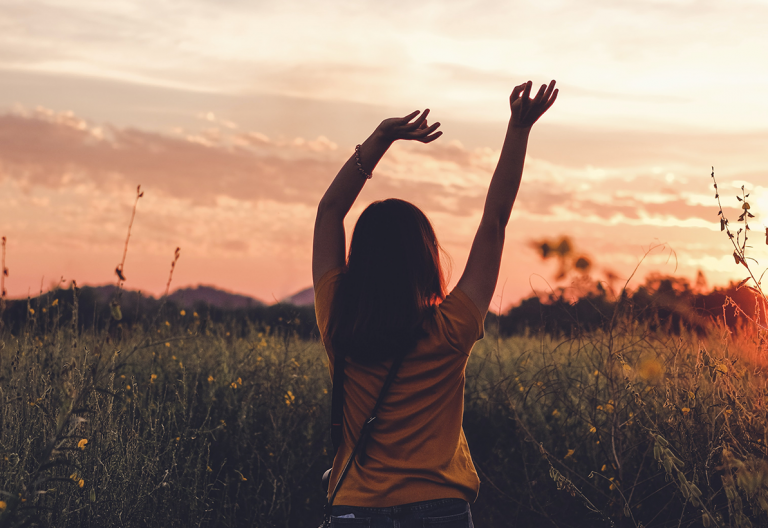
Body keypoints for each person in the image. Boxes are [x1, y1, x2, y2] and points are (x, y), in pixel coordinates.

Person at [313, 80, 558, 527]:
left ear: (359, 259)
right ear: (424, 259)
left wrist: (382, 138)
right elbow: (495, 221)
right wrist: (518, 129)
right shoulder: (452, 328)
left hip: (355, 509)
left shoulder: (338, 319)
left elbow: (329, 212)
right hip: (438, 509)